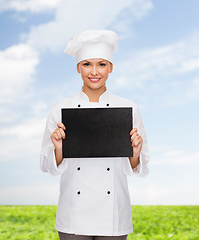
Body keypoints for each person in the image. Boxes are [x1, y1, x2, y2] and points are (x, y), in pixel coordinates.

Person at [40, 30, 149, 240]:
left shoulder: (128, 108)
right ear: (78, 68)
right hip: (73, 215)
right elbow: (47, 167)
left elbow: (139, 169)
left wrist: (134, 152)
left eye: (102, 64)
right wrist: (59, 148)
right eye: (87, 64)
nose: (94, 72)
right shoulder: (60, 108)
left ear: (111, 68)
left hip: (113, 215)